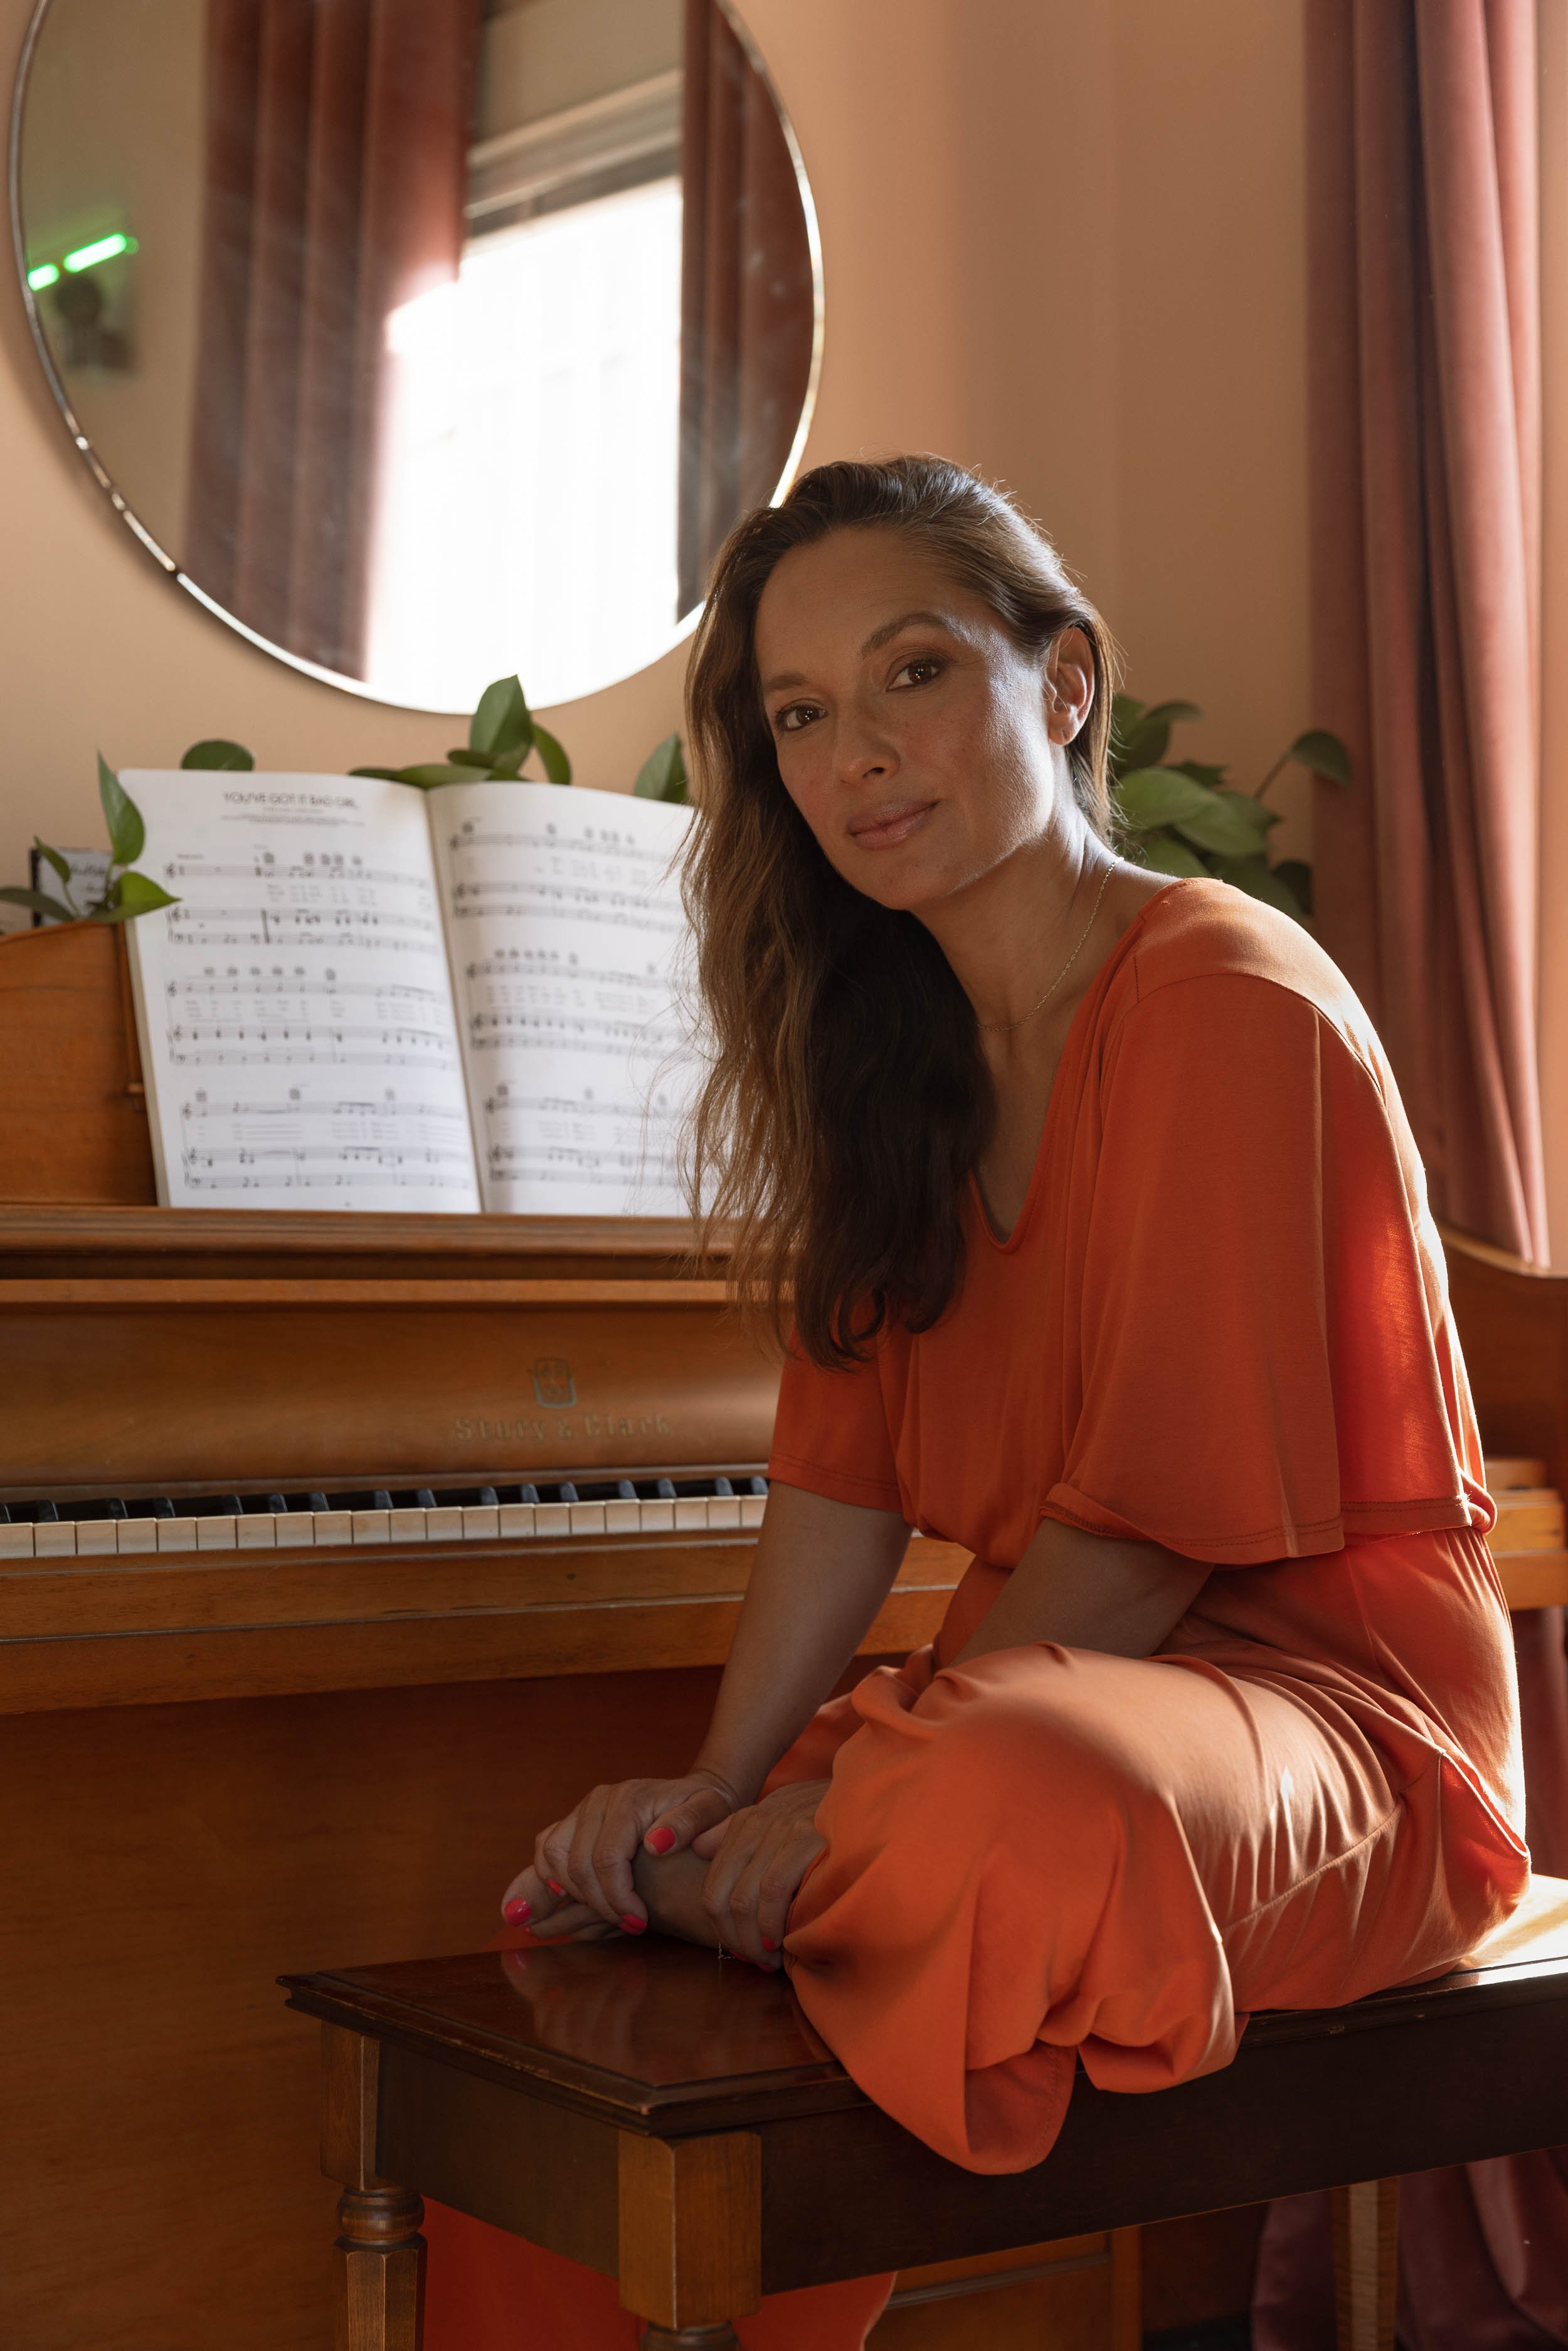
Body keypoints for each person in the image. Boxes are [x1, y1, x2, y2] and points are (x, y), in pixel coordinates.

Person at [421, 455, 1528, 2351]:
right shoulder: (887, 1055)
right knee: (599, 1994)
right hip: (1028, 1707)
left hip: (1339, 1738)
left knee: (985, 1801)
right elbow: (839, 1490)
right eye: (797, 715)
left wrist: (837, 1793)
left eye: (914, 672)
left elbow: (1146, 1537)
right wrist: (723, 1784)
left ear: (1063, 680)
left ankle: (809, 1866)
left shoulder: (1221, 993)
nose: (856, 752)